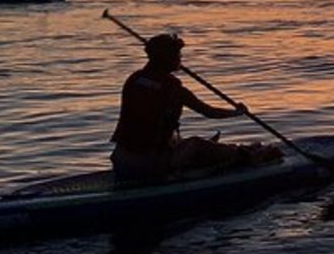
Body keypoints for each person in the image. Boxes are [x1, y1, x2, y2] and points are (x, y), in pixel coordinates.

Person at [110, 32, 280, 181]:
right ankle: (247, 156)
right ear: (167, 59)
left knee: (178, 143)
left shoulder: (133, 79)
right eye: (177, 55)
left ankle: (232, 151)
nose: (180, 59)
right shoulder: (173, 89)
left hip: (120, 162)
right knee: (196, 144)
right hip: (149, 167)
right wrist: (237, 112)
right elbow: (209, 112)